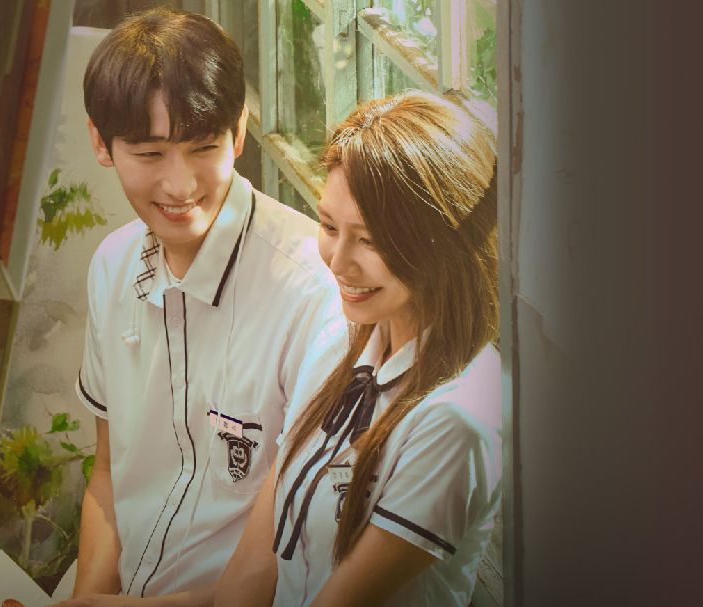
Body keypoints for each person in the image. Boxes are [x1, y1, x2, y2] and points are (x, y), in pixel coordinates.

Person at [60, 7, 341, 606]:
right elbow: (108, 473)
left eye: (203, 147)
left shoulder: (313, 292)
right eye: (149, 154)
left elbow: (290, 549)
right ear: (101, 142)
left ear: (238, 131)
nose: (180, 186)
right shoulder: (112, 266)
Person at [216, 90, 503, 607]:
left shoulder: (456, 417)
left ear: (443, 242)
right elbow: (257, 568)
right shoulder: (340, 340)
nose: (337, 262)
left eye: (369, 241)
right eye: (329, 226)